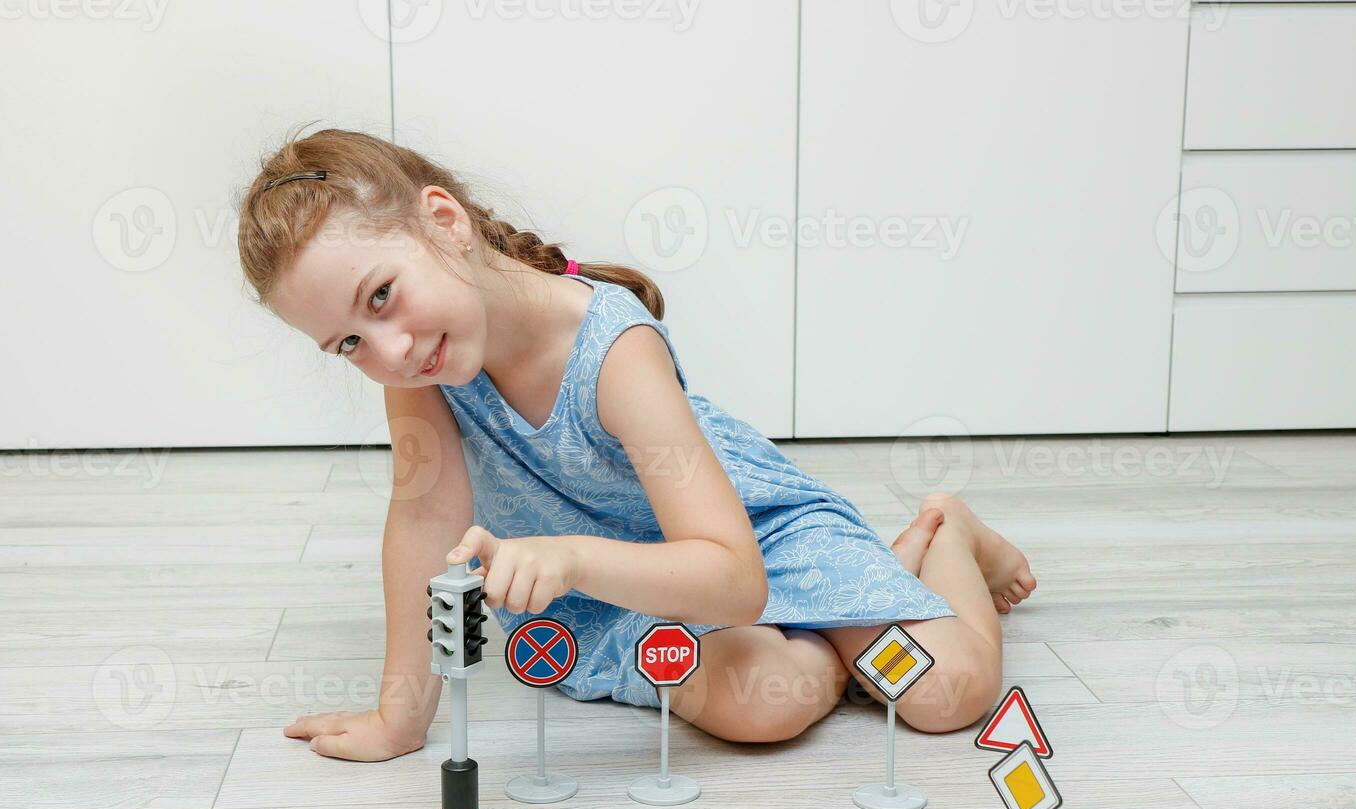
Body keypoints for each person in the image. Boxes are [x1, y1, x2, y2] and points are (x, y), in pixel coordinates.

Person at [236, 126, 1036, 762]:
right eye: (347, 342)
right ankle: (836, 638)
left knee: (946, 695)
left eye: (381, 296)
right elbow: (422, 520)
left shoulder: (614, 349)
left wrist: (574, 556)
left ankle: (950, 533)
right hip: (621, 592)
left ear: (445, 224)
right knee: (761, 706)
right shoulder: (418, 361)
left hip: (751, 545)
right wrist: (399, 719)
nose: (389, 348)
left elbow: (734, 576)